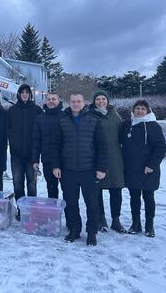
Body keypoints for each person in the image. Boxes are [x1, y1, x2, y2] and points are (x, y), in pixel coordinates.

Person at [51, 93, 107, 246]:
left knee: (92, 203)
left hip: (89, 170)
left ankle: (92, 232)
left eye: (78, 101)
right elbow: (55, 146)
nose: (76, 104)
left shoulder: (94, 120)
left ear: (84, 103)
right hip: (68, 170)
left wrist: (101, 168)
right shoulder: (62, 120)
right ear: (69, 103)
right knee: (71, 203)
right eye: (73, 101)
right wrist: (56, 165)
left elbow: (102, 146)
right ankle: (75, 229)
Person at [120, 99, 166, 238]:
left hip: (148, 169)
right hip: (131, 169)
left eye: (142, 109)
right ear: (133, 110)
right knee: (134, 197)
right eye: (137, 108)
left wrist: (152, 165)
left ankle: (149, 225)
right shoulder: (127, 125)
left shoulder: (153, 126)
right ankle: (136, 224)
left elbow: (161, 147)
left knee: (148, 197)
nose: (139, 111)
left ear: (147, 111)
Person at [89, 90, 127, 233]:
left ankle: (116, 220)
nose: (100, 102)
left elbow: (122, 136)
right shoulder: (89, 116)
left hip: (115, 157)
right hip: (96, 158)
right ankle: (101, 218)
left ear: (107, 101)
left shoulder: (115, 116)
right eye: (98, 99)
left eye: (103, 99)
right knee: (97, 190)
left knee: (116, 189)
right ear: (94, 101)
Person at [7, 84, 43, 220]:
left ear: (30, 94)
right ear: (18, 94)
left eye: (27, 92)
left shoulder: (37, 110)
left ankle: (31, 210)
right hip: (16, 154)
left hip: (32, 154)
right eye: (22, 92)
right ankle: (21, 210)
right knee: (17, 182)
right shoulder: (12, 110)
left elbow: (40, 131)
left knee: (32, 184)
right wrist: (13, 138)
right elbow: (7, 128)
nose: (25, 94)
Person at [32, 92, 65, 199]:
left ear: (58, 100)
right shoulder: (40, 118)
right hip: (48, 159)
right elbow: (36, 141)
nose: (51, 101)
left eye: (53, 99)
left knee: (68, 189)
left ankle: (70, 214)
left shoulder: (65, 116)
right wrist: (35, 160)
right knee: (51, 188)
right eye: (49, 99)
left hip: (65, 159)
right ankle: (53, 212)